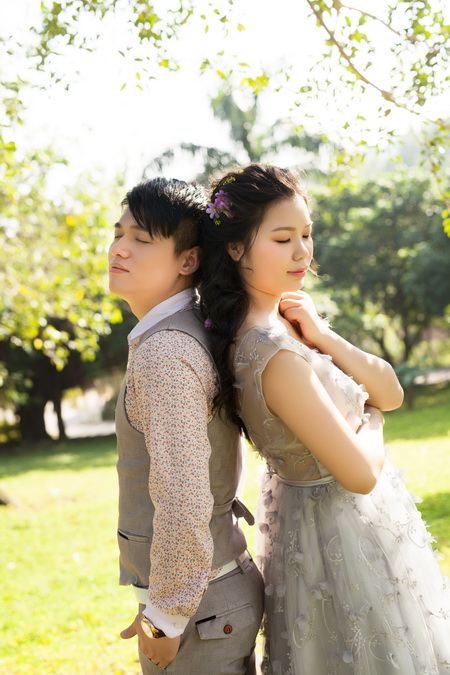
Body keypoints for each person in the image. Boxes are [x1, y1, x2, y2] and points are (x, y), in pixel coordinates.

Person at [199, 163, 450, 674]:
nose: (302, 252)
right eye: (283, 238)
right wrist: (372, 425)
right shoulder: (271, 353)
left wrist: (323, 335)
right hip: (343, 536)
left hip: (329, 530)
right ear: (235, 248)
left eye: (307, 234)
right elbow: (359, 473)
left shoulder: (285, 324)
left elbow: (390, 391)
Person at [108, 177, 264, 675]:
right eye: (118, 233)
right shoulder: (184, 331)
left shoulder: (166, 352)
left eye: (141, 239)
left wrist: (165, 618)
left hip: (199, 612)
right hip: (212, 599)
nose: (119, 248)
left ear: (188, 260)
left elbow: (184, 496)